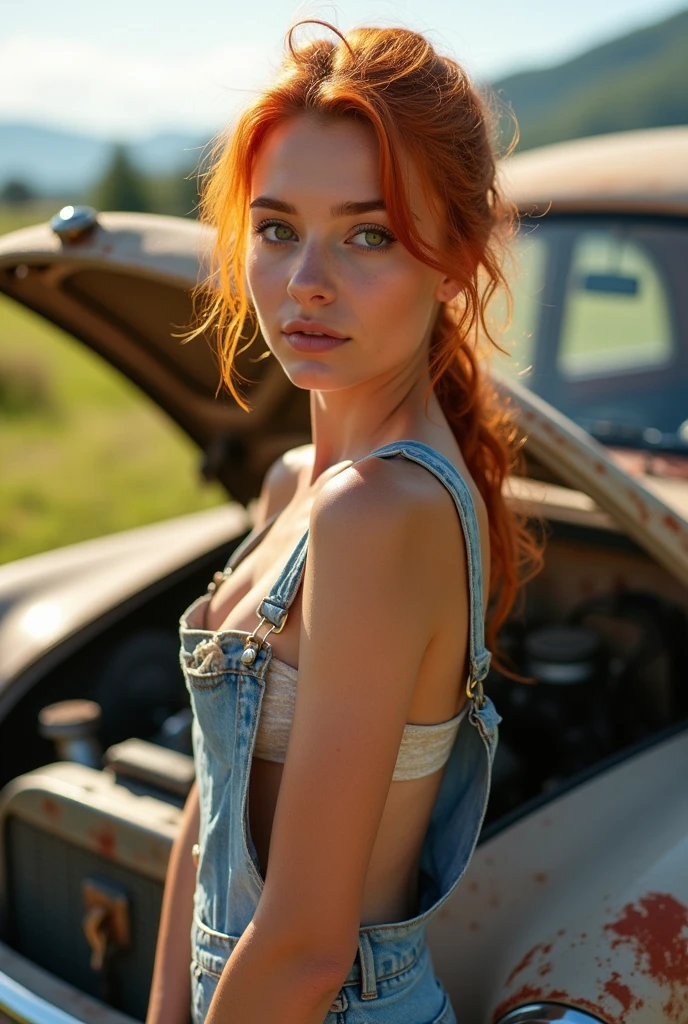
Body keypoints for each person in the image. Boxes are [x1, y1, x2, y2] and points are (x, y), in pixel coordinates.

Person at [147, 20, 539, 1024]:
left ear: (453, 259)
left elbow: (308, 945)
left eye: (369, 234)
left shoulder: (381, 512)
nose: (306, 282)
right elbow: (215, 800)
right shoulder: (296, 486)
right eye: (277, 229)